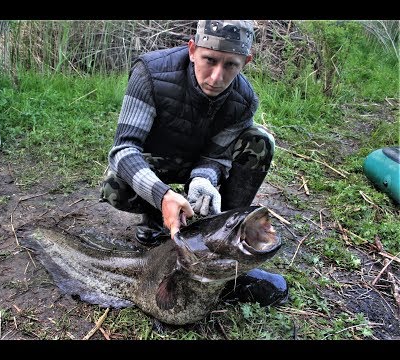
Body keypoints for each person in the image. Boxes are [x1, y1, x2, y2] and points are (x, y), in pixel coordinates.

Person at [100, 20, 288, 306]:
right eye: (209, 60)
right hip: (157, 161)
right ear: (191, 49)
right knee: (116, 185)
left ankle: (226, 232)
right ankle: (156, 220)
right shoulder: (150, 73)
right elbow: (124, 149)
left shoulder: (244, 99)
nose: (216, 76)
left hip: (196, 162)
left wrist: (204, 179)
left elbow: (216, 155)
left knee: (259, 141)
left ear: (246, 62)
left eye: (230, 66)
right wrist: (162, 195)